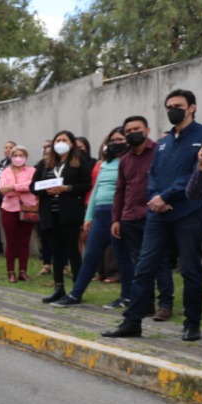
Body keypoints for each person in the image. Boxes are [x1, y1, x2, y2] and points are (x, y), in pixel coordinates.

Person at [104, 89, 202, 341]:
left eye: (177, 105)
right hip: (158, 215)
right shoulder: (163, 143)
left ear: (192, 107)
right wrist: (156, 198)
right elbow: (152, 176)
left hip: (189, 212)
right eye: (168, 106)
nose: (172, 109)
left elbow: (200, 173)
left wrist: (167, 196)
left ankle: (192, 324)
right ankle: (132, 322)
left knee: (190, 270)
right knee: (143, 268)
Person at [55, 128, 128, 307]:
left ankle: (127, 297)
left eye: (119, 139)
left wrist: (119, 216)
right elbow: (96, 190)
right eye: (112, 140)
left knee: (123, 257)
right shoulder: (104, 164)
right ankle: (75, 295)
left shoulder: (129, 162)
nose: (115, 143)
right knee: (90, 256)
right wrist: (89, 216)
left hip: (118, 214)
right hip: (100, 215)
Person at [111, 115, 168, 314]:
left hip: (154, 215)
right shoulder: (125, 159)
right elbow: (120, 190)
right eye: (128, 131)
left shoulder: (160, 152)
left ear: (147, 130)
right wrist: (116, 219)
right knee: (139, 263)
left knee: (160, 262)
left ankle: (165, 304)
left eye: (137, 129)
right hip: (129, 218)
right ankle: (147, 303)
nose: (133, 133)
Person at [34, 130, 93, 303]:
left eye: (64, 140)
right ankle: (58, 287)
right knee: (56, 251)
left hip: (69, 213)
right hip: (49, 213)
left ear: (72, 143)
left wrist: (66, 189)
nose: (60, 143)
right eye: (57, 140)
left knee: (72, 250)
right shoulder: (44, 164)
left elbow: (86, 184)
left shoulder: (79, 162)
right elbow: (33, 186)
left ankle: (77, 290)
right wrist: (45, 189)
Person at [0, 145, 38, 282]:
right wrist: (21, 187)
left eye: (21, 155)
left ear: (26, 157)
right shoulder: (5, 172)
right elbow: (3, 190)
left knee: (24, 241)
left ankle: (23, 271)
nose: (18, 158)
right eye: (15, 155)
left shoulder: (32, 170)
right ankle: (10, 272)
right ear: (11, 157)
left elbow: (32, 185)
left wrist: (14, 187)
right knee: (11, 241)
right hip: (9, 208)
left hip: (27, 207)